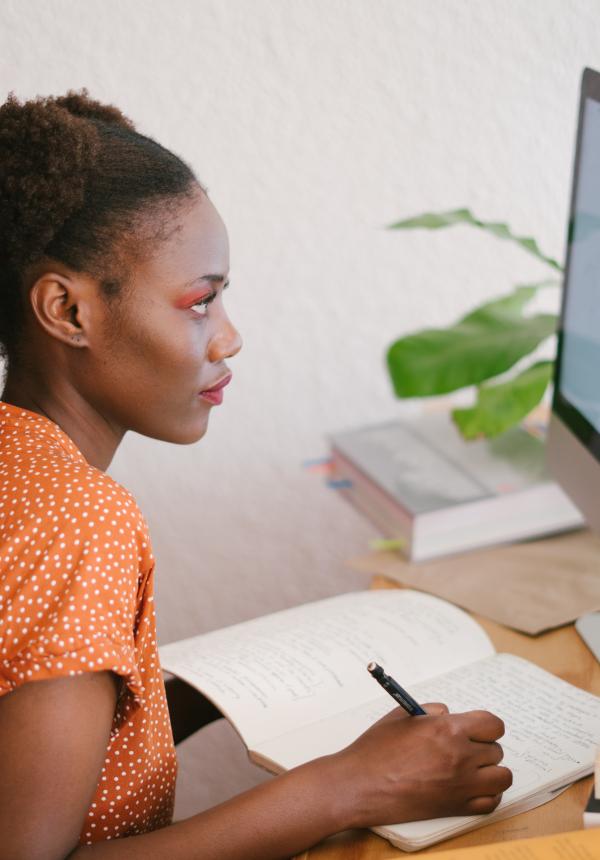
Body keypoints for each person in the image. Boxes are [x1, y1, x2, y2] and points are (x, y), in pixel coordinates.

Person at [0, 91, 512, 860]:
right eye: (201, 302)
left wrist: (175, 702)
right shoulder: (81, 517)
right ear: (68, 312)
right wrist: (348, 785)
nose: (229, 339)